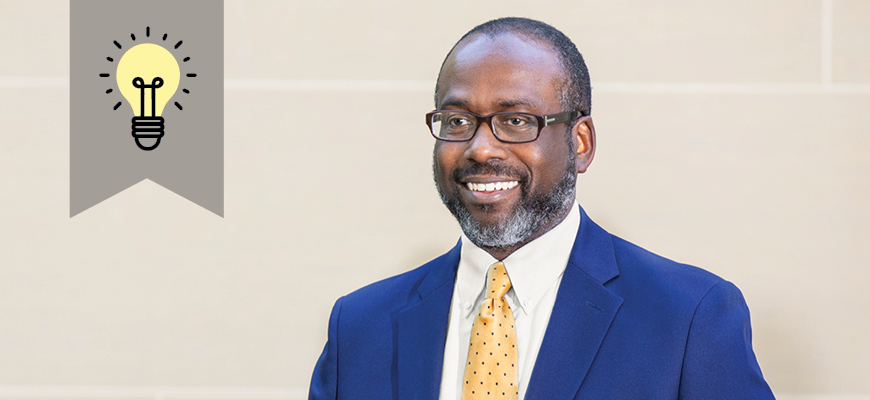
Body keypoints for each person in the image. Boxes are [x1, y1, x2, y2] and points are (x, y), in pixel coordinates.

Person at [309, 17, 774, 400]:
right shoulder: (359, 326)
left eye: (516, 120)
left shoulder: (689, 318)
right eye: (458, 121)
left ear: (581, 143)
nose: (480, 148)